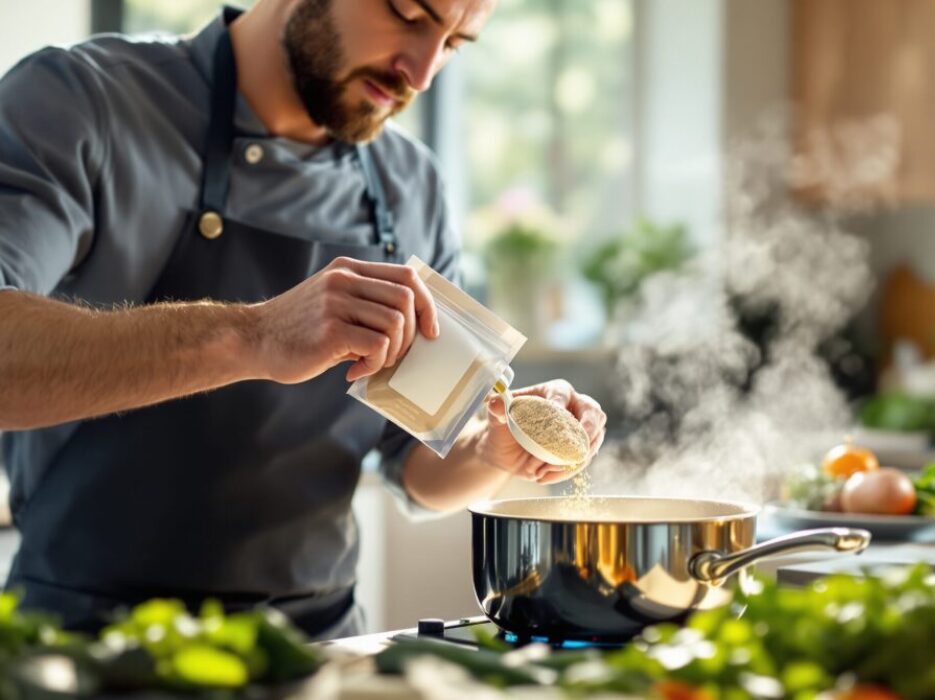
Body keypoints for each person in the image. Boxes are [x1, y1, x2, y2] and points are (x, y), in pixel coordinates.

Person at [0, 0, 607, 638]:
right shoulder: (81, 102)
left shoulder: (410, 187)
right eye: (408, 13)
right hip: (87, 649)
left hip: (317, 653)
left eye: (454, 43)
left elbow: (417, 467)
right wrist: (254, 335)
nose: (423, 72)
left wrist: (492, 448)